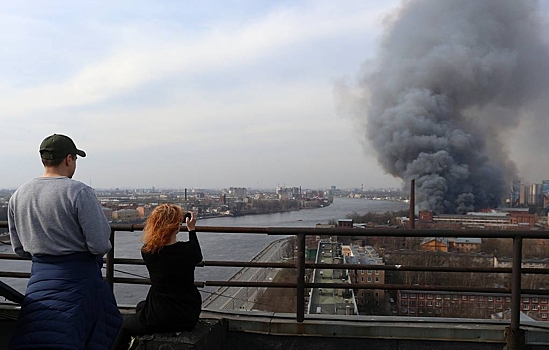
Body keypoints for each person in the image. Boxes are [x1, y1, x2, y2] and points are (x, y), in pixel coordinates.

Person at [8, 133, 122, 349]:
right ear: (69, 159)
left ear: (44, 160)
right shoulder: (79, 192)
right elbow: (100, 244)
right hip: (80, 283)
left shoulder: (18, 194)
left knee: (38, 337)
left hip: (39, 282)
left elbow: (19, 248)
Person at [112, 204, 203, 350]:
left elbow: (158, 246)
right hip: (189, 312)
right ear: (176, 226)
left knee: (126, 325)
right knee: (141, 307)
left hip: (162, 313)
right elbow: (197, 256)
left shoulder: (148, 252)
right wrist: (191, 229)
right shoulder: (188, 250)